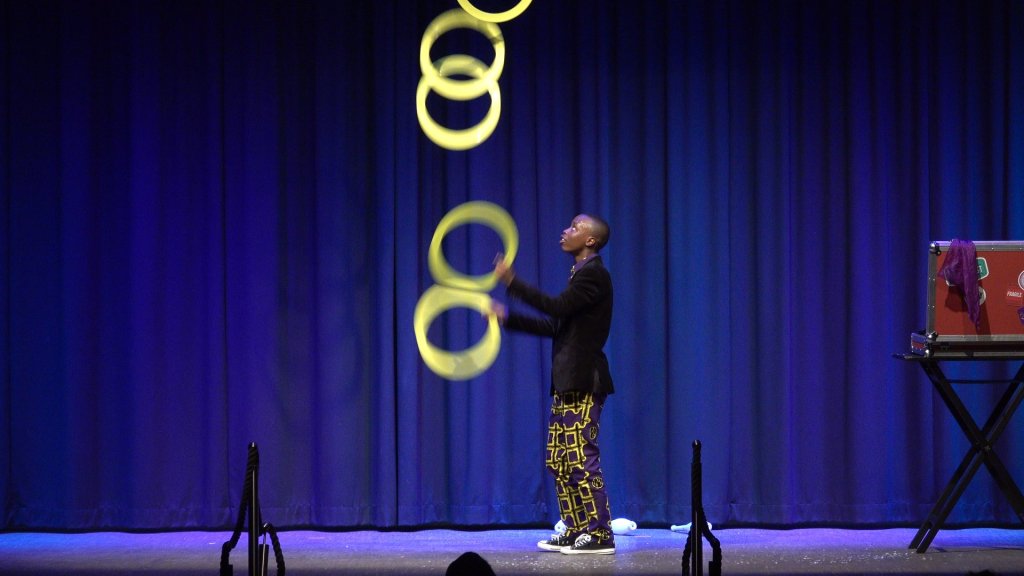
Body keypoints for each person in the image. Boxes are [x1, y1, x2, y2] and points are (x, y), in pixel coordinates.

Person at [491, 213, 616, 555]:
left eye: (575, 227)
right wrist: (507, 318)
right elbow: (556, 326)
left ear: (590, 240)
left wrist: (513, 282)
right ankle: (576, 528)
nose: (565, 230)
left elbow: (556, 307)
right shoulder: (579, 275)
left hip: (585, 381)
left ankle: (600, 532)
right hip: (566, 381)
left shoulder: (594, 275)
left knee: (580, 457)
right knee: (560, 460)